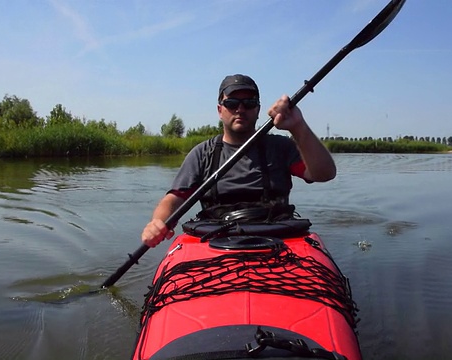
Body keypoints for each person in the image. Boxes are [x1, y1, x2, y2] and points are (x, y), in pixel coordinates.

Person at [141, 74, 336, 248]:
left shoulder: (281, 147)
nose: (240, 109)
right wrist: (157, 222)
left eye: (249, 103)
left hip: (276, 236)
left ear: (258, 109)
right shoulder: (202, 153)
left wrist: (298, 126)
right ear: (220, 110)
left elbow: (324, 174)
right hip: (217, 237)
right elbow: (173, 200)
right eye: (232, 103)